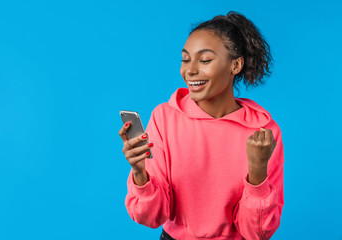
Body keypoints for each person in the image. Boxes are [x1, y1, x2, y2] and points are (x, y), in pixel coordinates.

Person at [119, 11, 284, 240]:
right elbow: (151, 217)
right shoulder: (165, 118)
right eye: (185, 59)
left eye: (205, 60)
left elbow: (257, 232)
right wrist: (140, 173)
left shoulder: (263, 132)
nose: (190, 70)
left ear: (235, 65)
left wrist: (257, 173)